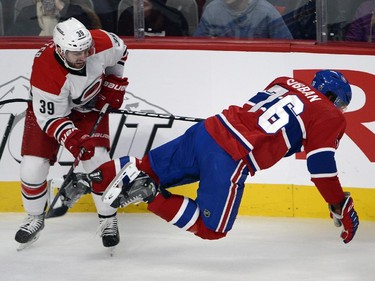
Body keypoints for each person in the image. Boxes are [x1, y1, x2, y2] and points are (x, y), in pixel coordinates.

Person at [92, 70, 359, 244]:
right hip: (231, 155)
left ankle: (94, 177)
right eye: (341, 105)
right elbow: (321, 167)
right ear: (333, 97)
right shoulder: (330, 115)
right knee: (212, 228)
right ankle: (151, 194)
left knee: (147, 166)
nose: (341, 111)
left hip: (208, 129)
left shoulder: (283, 81)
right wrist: (338, 203)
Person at [15, 17, 129, 249]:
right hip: (49, 112)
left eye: (86, 50)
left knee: (98, 162)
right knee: (32, 166)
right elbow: (51, 119)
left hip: (89, 106)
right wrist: (72, 138)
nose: (83, 57)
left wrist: (114, 82)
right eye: (75, 53)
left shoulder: (102, 42)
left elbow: (122, 51)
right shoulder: (46, 71)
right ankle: (35, 217)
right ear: (59, 49)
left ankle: (108, 219)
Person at [194, 0, 293, 39]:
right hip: (221, 68)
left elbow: (287, 48)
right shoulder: (212, 10)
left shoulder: (267, 12)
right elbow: (197, 48)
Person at [7, 0, 101, 36]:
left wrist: (62, 8)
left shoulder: (74, 11)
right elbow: (13, 38)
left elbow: (87, 32)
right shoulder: (28, 12)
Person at [117, 0, 189, 36]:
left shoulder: (175, 18)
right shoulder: (128, 16)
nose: (139, 8)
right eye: (137, 3)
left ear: (157, 7)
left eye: (144, 5)